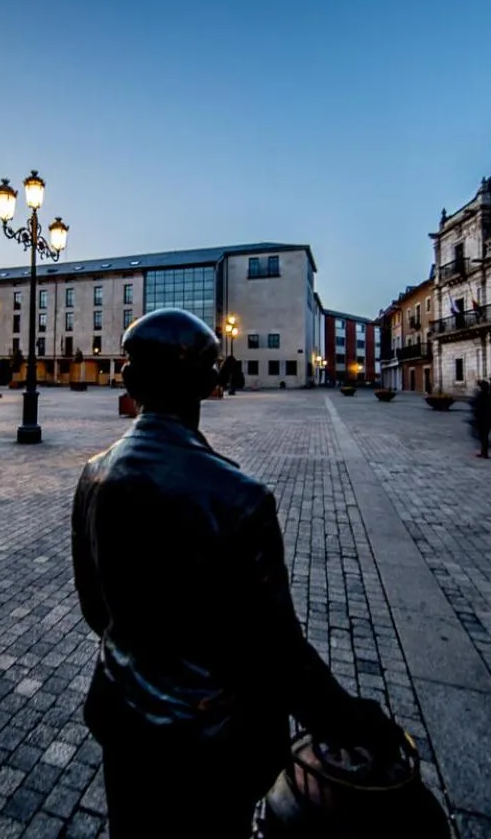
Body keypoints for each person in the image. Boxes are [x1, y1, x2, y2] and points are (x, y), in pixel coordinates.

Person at [71, 308, 403, 837]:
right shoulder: (241, 497)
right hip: (210, 738)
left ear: (130, 381)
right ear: (209, 383)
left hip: (123, 720)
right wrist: (349, 719)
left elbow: (95, 609)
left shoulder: (95, 473)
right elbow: (277, 652)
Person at [469, 379, 491, 458]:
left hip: (483, 419)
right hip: (488, 419)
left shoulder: (482, 395)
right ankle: (484, 452)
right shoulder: (488, 396)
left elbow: (475, 404)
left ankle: (485, 452)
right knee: (483, 436)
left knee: (483, 436)